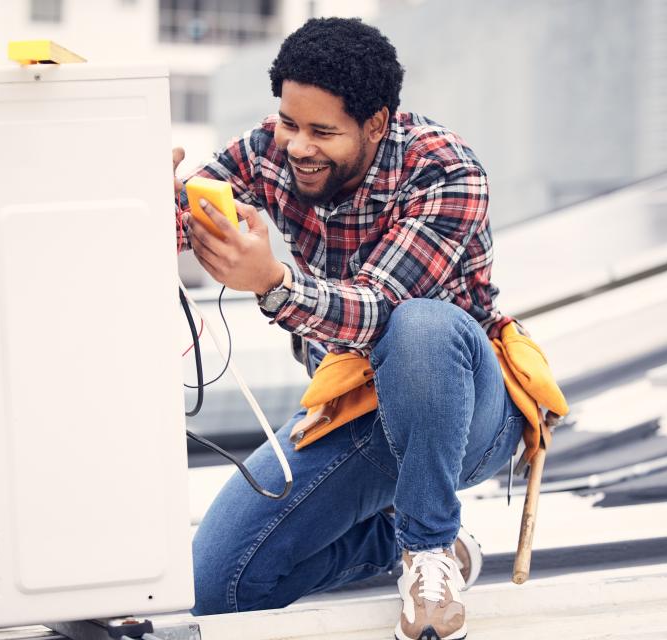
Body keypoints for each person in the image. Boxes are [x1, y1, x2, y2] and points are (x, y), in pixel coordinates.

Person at [173, 17, 524, 640]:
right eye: (289, 122)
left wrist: (272, 282)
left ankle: (428, 549)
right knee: (217, 586)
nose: (297, 146)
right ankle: (392, 542)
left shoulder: (445, 171)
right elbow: (184, 218)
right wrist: (146, 199)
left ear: (377, 124)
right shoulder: (269, 150)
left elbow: (377, 310)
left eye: (323, 131)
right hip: (351, 407)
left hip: (461, 411)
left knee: (421, 325)